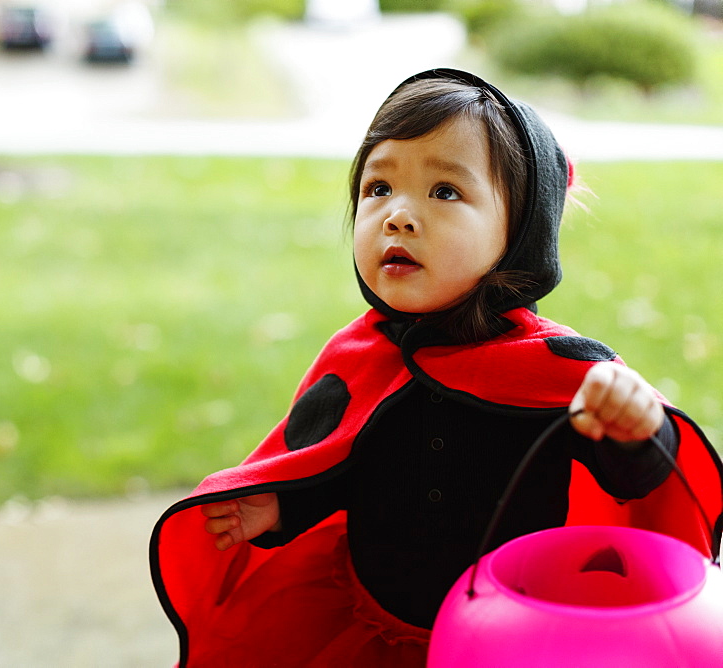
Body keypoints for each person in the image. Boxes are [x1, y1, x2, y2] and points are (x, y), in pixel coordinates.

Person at [150, 69, 723, 667]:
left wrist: (634, 429)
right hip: (376, 633)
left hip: (509, 642)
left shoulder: (561, 369)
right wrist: (280, 509)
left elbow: (637, 481)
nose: (397, 215)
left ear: (519, 231)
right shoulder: (358, 360)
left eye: (445, 191)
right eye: (377, 189)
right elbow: (341, 465)